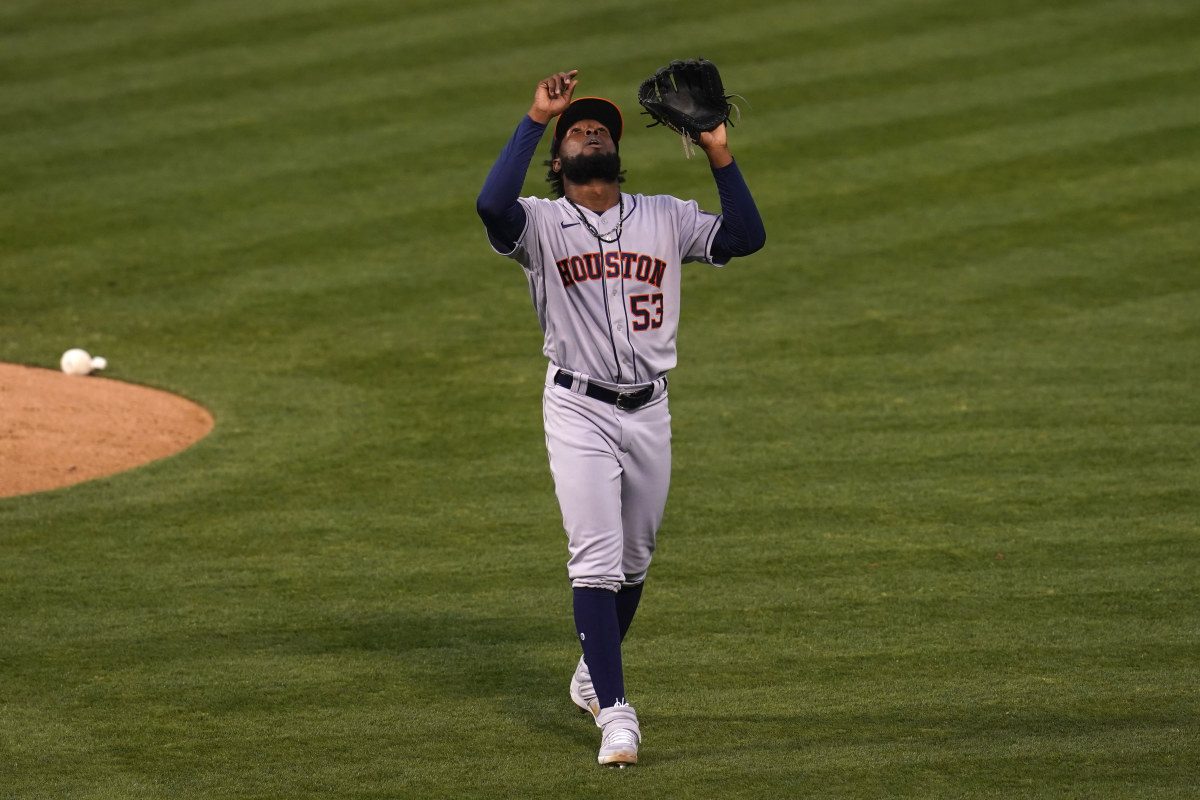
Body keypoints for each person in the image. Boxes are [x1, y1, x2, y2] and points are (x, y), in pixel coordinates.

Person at [476, 68, 765, 767]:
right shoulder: (539, 226)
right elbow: (491, 206)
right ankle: (616, 715)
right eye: (578, 130)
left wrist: (719, 148)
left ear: (614, 151)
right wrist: (536, 116)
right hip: (577, 408)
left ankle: (588, 675)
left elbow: (746, 237)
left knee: (635, 560)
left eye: (598, 128)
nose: (590, 132)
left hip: (650, 410)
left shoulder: (665, 214)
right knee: (598, 562)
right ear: (559, 161)